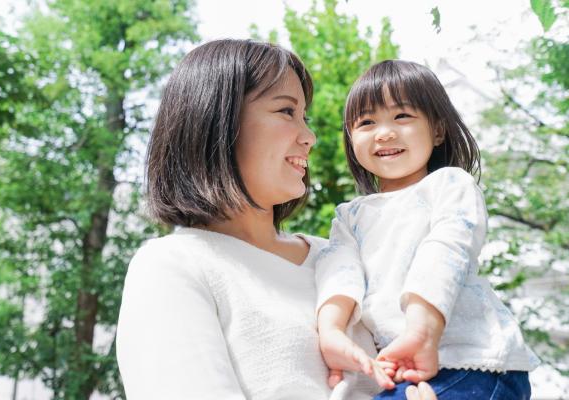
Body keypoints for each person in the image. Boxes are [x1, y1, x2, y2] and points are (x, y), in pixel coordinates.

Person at [116, 40, 437, 400]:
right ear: (216, 123)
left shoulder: (338, 257)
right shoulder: (172, 266)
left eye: (305, 117)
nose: (310, 137)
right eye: (286, 111)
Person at [315, 60, 540, 399]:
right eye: (366, 122)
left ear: (437, 130)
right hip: (409, 369)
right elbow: (338, 273)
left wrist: (423, 328)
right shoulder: (350, 216)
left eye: (401, 116)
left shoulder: (451, 185)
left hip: (473, 361)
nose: (384, 132)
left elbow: (446, 249)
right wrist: (331, 330)